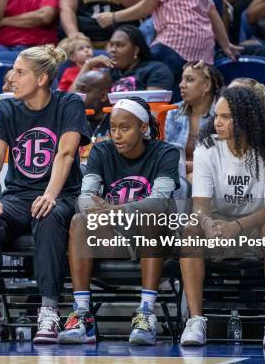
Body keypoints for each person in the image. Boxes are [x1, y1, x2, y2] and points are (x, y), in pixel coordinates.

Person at [0, 45, 90, 344]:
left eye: (20, 72)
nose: (11, 78)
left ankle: (49, 310)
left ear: (43, 78)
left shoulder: (69, 103)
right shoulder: (6, 107)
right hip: (18, 197)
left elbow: (67, 153)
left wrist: (49, 195)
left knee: (48, 217)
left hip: (62, 195)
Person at [179, 86, 265, 348]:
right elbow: (200, 204)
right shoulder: (206, 149)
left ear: (245, 119)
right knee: (191, 229)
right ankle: (195, 320)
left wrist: (238, 226)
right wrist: (210, 225)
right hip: (224, 219)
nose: (217, 122)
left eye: (226, 117)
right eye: (216, 115)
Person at [59, 97, 180, 345]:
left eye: (125, 128)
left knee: (152, 217)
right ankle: (83, 315)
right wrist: (99, 212)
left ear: (144, 128)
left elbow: (158, 202)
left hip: (154, 238)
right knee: (79, 222)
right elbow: (85, 198)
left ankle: (146, 314)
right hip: (114, 236)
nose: (117, 135)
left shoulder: (166, 153)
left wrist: (116, 210)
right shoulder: (102, 150)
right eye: (113, 128)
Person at [94, 0, 240, 89]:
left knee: (137, 78)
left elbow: (148, 6)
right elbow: (212, 10)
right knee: (183, 99)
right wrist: (226, 45)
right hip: (202, 48)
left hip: (175, 42)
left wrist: (113, 17)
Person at [165, 61, 224, 183]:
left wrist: (187, 167)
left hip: (214, 176)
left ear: (207, 85)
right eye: (182, 80)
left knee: (194, 179)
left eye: (189, 79)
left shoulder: (222, 114)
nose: (181, 85)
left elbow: (224, 159)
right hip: (176, 174)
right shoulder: (172, 113)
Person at [72, 25, 174, 93]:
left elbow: (154, 109)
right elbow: (73, 99)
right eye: (111, 45)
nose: (112, 50)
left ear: (135, 50)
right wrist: (88, 65)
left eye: (119, 45)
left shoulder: (155, 70)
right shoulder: (107, 73)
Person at [74, 70, 112, 159]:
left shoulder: (116, 121)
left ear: (103, 96)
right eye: (77, 90)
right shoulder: (73, 119)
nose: (77, 95)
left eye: (83, 90)